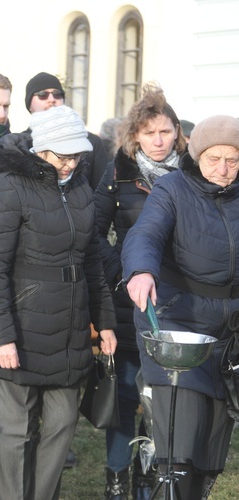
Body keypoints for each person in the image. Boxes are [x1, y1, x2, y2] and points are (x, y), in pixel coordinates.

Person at [0, 105, 117, 499]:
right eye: (62, 155)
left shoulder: (81, 189)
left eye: (76, 155)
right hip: (17, 332)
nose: (70, 163)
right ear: (41, 150)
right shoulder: (6, 188)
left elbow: (91, 259)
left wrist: (105, 322)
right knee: (15, 434)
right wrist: (2, 336)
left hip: (68, 334)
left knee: (61, 426)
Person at [122, 115, 239, 499]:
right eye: (214, 159)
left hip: (229, 332)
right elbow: (146, 234)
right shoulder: (172, 188)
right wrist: (141, 271)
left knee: (210, 449)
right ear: (196, 155)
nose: (223, 169)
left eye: (233, 160)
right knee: (180, 446)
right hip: (179, 322)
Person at [94, 84, 186, 500]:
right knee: (126, 390)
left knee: (161, 394)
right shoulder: (119, 173)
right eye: (150, 133)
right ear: (136, 136)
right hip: (127, 297)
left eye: (165, 132)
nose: (159, 140)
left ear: (177, 133)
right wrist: (120, 276)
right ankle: (117, 477)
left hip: (176, 299)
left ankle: (149, 475)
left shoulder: (192, 173)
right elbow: (94, 233)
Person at [0, 72, 109, 190]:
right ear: (29, 104)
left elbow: (101, 194)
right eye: (42, 94)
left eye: (57, 94)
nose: (51, 99)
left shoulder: (90, 142)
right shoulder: (19, 144)